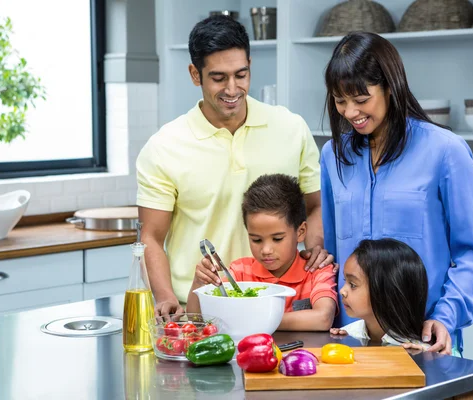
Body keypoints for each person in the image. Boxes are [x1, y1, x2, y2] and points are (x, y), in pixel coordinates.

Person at [136, 16, 332, 317]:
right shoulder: (164, 146)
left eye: (241, 74)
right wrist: (164, 297)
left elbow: (314, 205)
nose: (232, 89)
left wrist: (315, 246)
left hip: (282, 310)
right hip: (199, 311)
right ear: (194, 74)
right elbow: (151, 236)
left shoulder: (291, 128)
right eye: (218, 78)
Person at [321, 31, 473, 355]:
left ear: (390, 86)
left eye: (361, 99)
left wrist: (446, 316)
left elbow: (471, 254)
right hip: (350, 339)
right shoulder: (332, 157)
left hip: (422, 341)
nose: (350, 112)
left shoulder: (446, 152)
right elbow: (333, 252)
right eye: (340, 101)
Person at [186, 174, 338, 331]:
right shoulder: (240, 272)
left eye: (277, 239)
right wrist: (199, 282)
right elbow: (196, 319)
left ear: (300, 232)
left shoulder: (317, 270)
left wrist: (252, 319)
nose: (266, 250)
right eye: (256, 240)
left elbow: (323, 318)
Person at [329, 238, 448, 353]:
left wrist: (422, 360)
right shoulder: (348, 334)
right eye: (345, 281)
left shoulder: (421, 351)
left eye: (353, 284)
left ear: (387, 292)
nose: (342, 291)